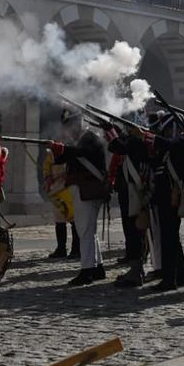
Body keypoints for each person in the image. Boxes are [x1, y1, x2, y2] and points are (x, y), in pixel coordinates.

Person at [50, 106, 109, 286]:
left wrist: (62, 148)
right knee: (88, 230)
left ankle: (87, 271)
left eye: (70, 125)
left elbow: (78, 152)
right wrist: (55, 148)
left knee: (84, 230)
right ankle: (97, 267)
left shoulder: (89, 139)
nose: (68, 130)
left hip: (89, 190)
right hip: (84, 190)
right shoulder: (78, 140)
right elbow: (62, 159)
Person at [145, 109, 184, 291]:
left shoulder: (183, 143)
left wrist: (149, 137)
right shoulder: (171, 145)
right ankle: (181, 275)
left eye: (168, 129)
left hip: (172, 198)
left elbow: (171, 144)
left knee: (169, 239)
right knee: (171, 238)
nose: (165, 133)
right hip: (164, 197)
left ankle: (169, 279)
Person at [106, 116, 150, 287]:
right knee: (131, 230)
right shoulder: (135, 141)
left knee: (133, 230)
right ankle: (135, 268)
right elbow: (116, 147)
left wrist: (109, 130)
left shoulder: (137, 142)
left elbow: (117, 147)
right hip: (129, 193)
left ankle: (136, 270)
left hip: (133, 192)